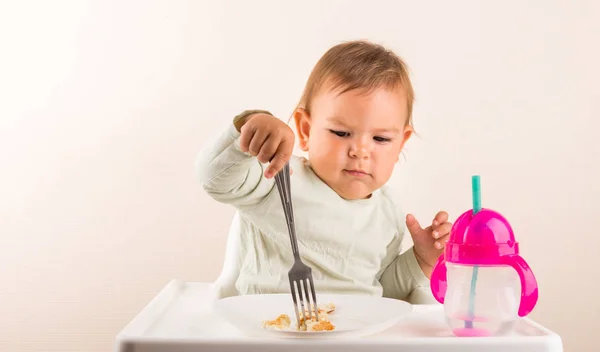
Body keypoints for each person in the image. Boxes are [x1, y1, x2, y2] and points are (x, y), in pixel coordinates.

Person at [195, 40, 452, 303]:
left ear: (401, 143)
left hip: (352, 336)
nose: (360, 151)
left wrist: (419, 261)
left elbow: (381, 293)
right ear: (305, 130)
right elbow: (215, 179)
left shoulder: (388, 212)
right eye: (341, 133)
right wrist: (250, 127)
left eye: (381, 139)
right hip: (270, 330)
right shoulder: (278, 175)